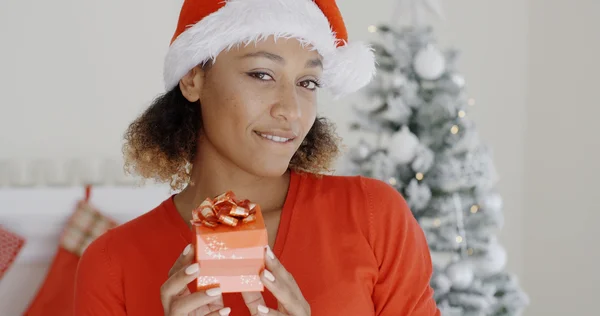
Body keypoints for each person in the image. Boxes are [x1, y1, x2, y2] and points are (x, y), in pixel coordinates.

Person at [74, 0, 440, 315]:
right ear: (192, 78)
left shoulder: (373, 217)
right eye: (262, 74)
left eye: (307, 82)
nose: (291, 110)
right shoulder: (111, 265)